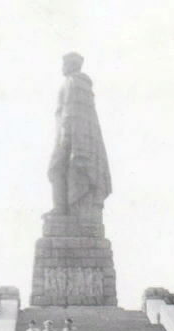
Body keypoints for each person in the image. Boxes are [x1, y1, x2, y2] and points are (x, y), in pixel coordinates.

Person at [47, 52, 112, 218]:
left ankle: (62, 209)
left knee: (56, 168)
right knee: (58, 169)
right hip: (71, 136)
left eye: (64, 63)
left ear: (71, 64)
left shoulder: (73, 82)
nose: (62, 67)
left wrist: (68, 140)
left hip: (69, 136)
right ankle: (63, 209)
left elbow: (71, 114)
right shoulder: (77, 83)